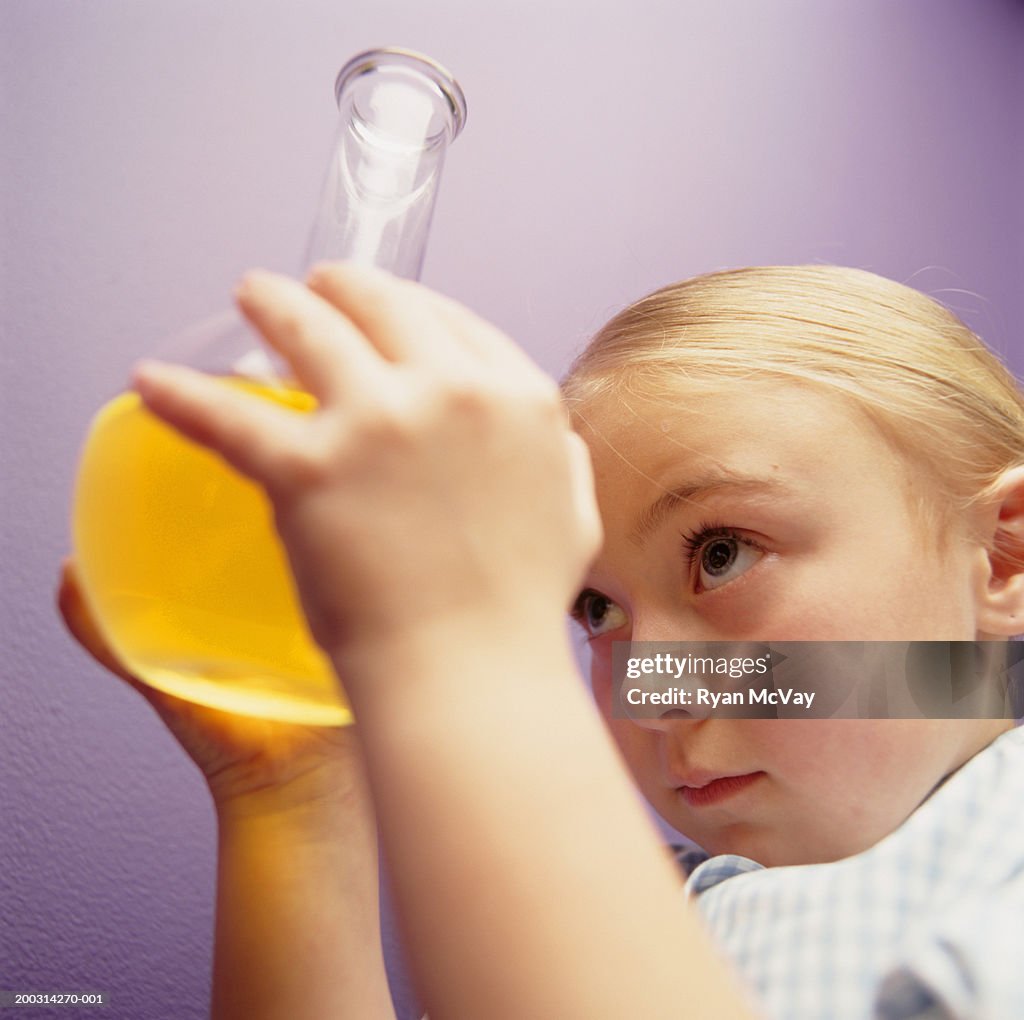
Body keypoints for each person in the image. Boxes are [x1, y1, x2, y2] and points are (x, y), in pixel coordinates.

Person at [58, 262, 1024, 1019]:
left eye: (722, 554)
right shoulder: (637, 904)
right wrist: (294, 803)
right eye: (595, 611)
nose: (646, 691)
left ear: (1004, 561)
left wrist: (459, 637)